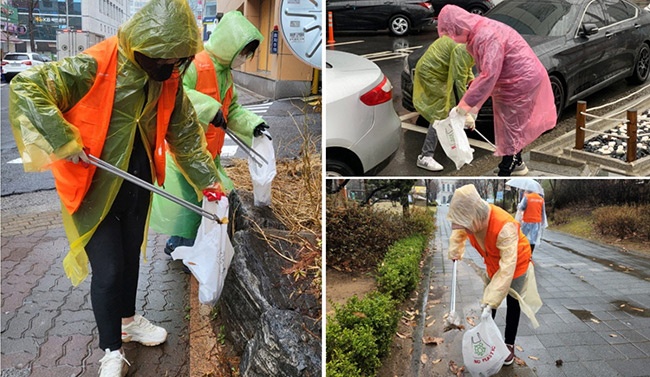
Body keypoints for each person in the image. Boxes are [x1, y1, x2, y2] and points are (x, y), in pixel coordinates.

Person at [8, 0, 222, 375]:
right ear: (140, 48)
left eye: (177, 61)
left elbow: (185, 132)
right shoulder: (95, 65)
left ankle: (128, 321)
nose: (170, 68)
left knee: (129, 261)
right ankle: (110, 350)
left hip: (136, 182)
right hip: (93, 185)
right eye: (161, 60)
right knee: (107, 271)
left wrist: (209, 183)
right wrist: (63, 140)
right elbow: (27, 87)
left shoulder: (167, 78)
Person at [150, 10, 269, 256]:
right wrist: (209, 108)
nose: (245, 57)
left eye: (249, 53)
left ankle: (189, 249)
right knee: (191, 210)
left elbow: (232, 110)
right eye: (244, 51)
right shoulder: (195, 64)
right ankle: (181, 249)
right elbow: (175, 93)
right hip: (184, 154)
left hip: (208, 154)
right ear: (230, 43)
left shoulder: (226, 73)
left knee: (212, 200)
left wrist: (254, 124)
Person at [437, 5, 557, 176]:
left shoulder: (486, 36)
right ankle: (518, 164)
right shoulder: (478, 31)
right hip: (516, 79)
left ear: (459, 27)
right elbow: (488, 75)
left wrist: (465, 106)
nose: (454, 39)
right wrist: (473, 110)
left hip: (519, 81)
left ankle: (506, 169)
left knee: (511, 126)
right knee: (511, 125)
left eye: (453, 34)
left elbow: (488, 75)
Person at [447, 184, 542, 365]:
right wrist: (455, 250)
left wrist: (492, 298)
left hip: (516, 264)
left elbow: (507, 269)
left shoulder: (504, 226)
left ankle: (509, 344)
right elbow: (459, 231)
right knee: (488, 305)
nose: (465, 230)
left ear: (476, 217)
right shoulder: (470, 218)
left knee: (511, 303)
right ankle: (486, 336)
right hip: (493, 262)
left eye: (467, 226)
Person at [413, 35, 474, 172]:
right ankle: (425, 156)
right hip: (432, 73)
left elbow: (465, 66)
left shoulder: (471, 42)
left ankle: (459, 147)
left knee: (448, 110)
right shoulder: (464, 47)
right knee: (440, 113)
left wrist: (471, 80)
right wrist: (466, 111)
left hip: (439, 72)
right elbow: (459, 80)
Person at [516, 190, 547, 254]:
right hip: (536, 221)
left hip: (527, 220)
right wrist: (543, 223)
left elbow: (521, 208)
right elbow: (543, 212)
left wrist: (519, 205)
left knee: (523, 237)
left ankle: (522, 252)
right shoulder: (541, 199)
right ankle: (530, 253)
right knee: (533, 239)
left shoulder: (527, 197)